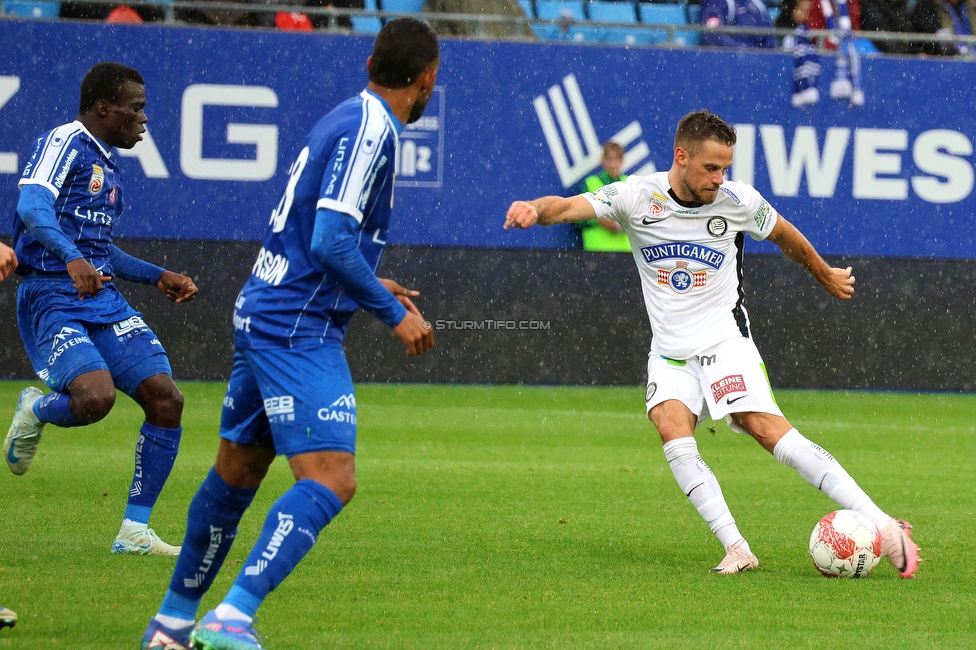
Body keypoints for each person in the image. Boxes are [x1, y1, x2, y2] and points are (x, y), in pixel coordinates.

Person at [504, 109, 919, 578]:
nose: (720, 178)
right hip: (669, 349)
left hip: (724, 338)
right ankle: (737, 547)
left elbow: (785, 236)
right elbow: (563, 207)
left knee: (763, 428)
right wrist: (533, 210)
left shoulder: (737, 201)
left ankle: (883, 526)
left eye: (726, 168)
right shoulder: (636, 196)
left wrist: (823, 273)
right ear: (681, 157)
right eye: (711, 168)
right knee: (671, 429)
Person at [140, 17, 438, 650]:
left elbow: (314, 232)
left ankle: (170, 626)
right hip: (297, 327)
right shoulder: (373, 131)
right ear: (427, 78)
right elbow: (330, 239)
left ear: (369, 66)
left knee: (236, 473)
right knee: (332, 477)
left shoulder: (342, 117)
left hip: (265, 307)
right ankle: (231, 616)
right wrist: (395, 315)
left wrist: (374, 285)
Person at [5, 62, 199, 558]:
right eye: (136, 109)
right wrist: (70, 258)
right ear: (103, 108)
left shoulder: (107, 164)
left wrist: (157, 275)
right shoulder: (63, 142)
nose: (144, 119)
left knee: (166, 400)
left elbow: (100, 250)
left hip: (100, 296)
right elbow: (31, 206)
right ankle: (36, 408)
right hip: (51, 292)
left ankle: (134, 531)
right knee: (95, 399)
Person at [577, 141, 631, 253]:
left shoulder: (630, 183)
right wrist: (598, 220)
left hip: (626, 252)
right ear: (602, 160)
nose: (613, 164)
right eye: (609, 159)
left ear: (622, 161)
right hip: (597, 251)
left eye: (617, 159)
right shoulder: (590, 183)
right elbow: (578, 217)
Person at [700, 0, 777, 48]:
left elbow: (770, 36)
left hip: (757, 61)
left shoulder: (757, 4)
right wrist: (741, 50)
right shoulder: (716, 2)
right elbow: (712, 35)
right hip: (725, 60)